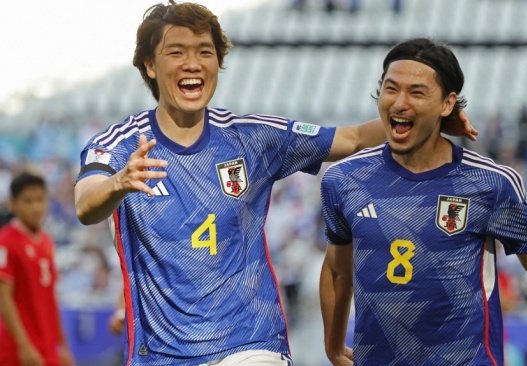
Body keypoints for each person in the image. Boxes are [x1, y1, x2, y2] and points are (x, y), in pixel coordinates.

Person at [73, 2, 477, 365]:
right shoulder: (120, 145)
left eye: (205, 52)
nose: (192, 63)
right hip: (160, 354)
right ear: (149, 65)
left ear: (218, 63)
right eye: (176, 53)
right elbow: (85, 205)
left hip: (250, 344)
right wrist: (117, 185)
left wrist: (432, 121)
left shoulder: (253, 137)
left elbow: (350, 138)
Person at [319, 38, 527, 366]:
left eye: (416, 92)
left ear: (448, 104)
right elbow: (336, 269)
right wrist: (332, 346)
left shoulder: (489, 183)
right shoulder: (344, 179)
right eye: (390, 89)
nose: (400, 103)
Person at [0, 172, 75, 366]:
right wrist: (23, 345)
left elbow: (51, 298)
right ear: (13, 203)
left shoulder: (47, 244)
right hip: (19, 351)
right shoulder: (5, 242)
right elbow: (4, 297)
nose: (36, 207)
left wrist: (64, 346)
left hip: (48, 348)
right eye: (28, 201)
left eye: (40, 200)